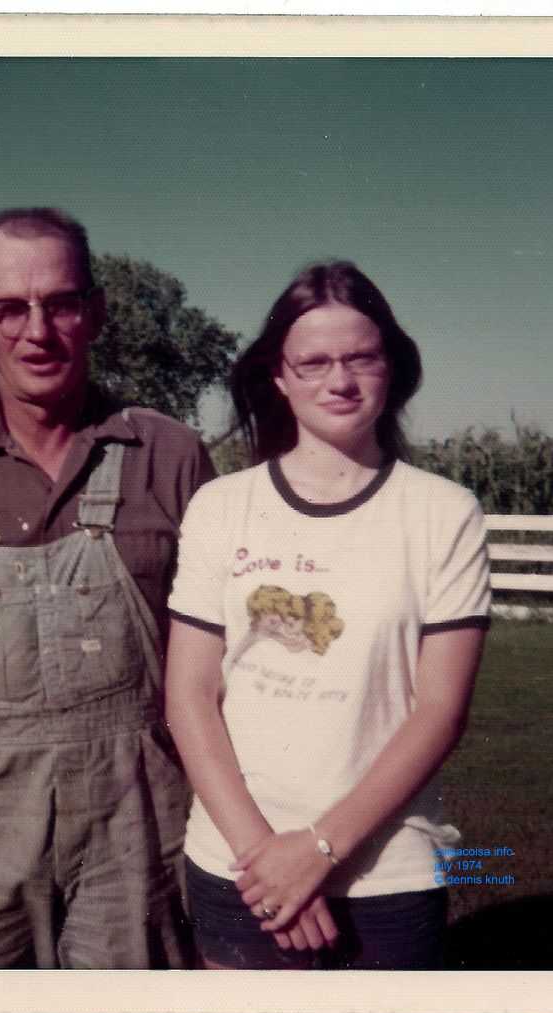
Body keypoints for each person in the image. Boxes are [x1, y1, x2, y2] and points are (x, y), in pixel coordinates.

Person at [0, 207, 215, 968]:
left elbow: (216, 652)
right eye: (8, 309)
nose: (37, 331)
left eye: (60, 303)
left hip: (138, 814)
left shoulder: (171, 455)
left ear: (94, 312)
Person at [165, 260, 490, 969]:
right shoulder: (223, 507)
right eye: (312, 362)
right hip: (237, 867)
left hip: (390, 871)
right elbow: (189, 695)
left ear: (392, 367)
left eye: (360, 357)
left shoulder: (443, 513)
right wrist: (267, 862)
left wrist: (317, 851)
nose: (338, 381)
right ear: (278, 376)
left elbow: (439, 711)